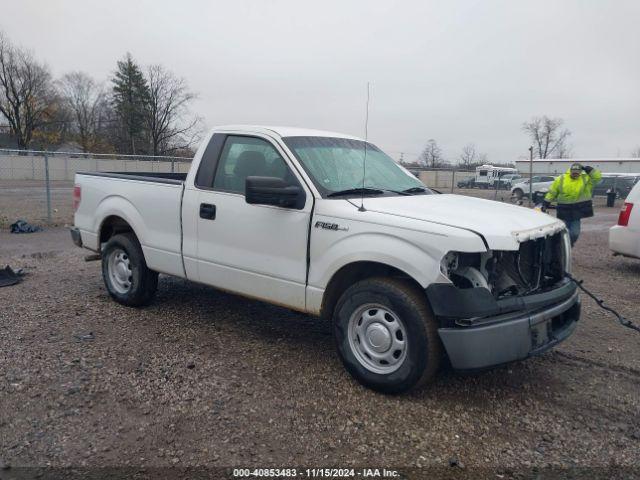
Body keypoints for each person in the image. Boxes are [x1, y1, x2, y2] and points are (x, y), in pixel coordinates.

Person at [543, 163, 602, 246]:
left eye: (577, 172)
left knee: (574, 233)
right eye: (574, 172)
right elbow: (552, 192)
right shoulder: (561, 179)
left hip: (577, 211)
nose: (575, 174)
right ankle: (561, 249)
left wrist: (590, 170)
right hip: (563, 211)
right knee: (561, 233)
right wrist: (546, 202)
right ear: (570, 171)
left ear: (580, 172)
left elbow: (597, 178)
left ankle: (567, 246)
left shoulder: (585, 179)